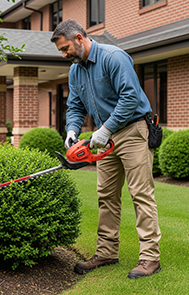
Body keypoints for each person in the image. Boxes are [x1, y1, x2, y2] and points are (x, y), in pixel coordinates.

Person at [50, 19, 161, 279]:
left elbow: (130, 97)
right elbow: (75, 106)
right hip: (105, 138)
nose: (64, 54)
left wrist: (106, 129)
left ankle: (150, 258)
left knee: (140, 194)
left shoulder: (114, 57)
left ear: (79, 37)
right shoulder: (75, 70)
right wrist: (72, 132)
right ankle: (107, 252)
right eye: (61, 51)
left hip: (133, 131)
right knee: (106, 196)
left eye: (65, 48)